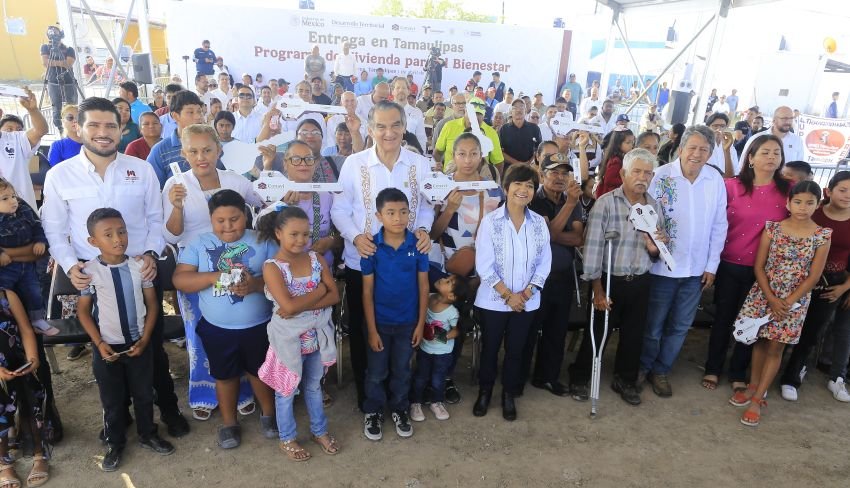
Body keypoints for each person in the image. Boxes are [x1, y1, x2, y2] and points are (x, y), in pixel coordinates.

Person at [41, 96, 190, 438]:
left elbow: (156, 218)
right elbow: (54, 227)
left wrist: (151, 253)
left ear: (123, 129)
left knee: (151, 350)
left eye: (110, 125)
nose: (103, 133)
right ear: (78, 127)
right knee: (107, 353)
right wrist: (69, 265)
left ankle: (167, 408)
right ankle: (118, 418)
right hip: (93, 279)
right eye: (93, 125)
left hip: (140, 271)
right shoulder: (61, 175)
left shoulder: (141, 169)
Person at [331, 101, 434, 412]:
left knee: (402, 330)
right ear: (370, 129)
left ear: (404, 127)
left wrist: (424, 230)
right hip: (363, 260)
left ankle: (397, 397)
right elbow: (340, 209)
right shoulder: (353, 164)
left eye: (394, 125)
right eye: (381, 126)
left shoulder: (419, 164)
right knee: (366, 330)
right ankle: (369, 399)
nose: (388, 133)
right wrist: (356, 237)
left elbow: (428, 205)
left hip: (406, 264)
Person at [163, 125, 262, 420]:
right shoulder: (175, 185)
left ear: (219, 150)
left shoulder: (234, 181)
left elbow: (261, 206)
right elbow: (171, 235)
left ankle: (243, 391)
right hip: (195, 270)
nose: (201, 157)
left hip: (236, 267)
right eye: (193, 151)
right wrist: (177, 207)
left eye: (207, 150)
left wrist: (275, 182)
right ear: (184, 154)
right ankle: (204, 392)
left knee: (237, 331)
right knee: (200, 335)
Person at [173, 190, 278, 449]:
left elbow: (284, 276)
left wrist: (254, 285)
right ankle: (229, 423)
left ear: (246, 216)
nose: (228, 226)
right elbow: (180, 280)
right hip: (217, 329)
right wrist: (212, 277)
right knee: (224, 376)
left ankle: (269, 415)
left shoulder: (263, 241)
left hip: (259, 326)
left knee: (261, 372)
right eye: (220, 220)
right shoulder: (199, 244)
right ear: (211, 220)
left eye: (234, 219)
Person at [76, 208, 176, 471]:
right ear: (93, 241)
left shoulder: (139, 266)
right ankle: (114, 442)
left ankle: (148, 434)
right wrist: (99, 343)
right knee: (112, 399)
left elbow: (153, 305)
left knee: (144, 393)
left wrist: (144, 340)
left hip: (137, 344)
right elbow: (83, 311)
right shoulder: (89, 271)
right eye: (108, 235)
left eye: (121, 231)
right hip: (106, 347)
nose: (118, 238)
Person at [568, 148, 662, 405]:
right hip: (609, 279)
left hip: (640, 280)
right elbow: (594, 248)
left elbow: (658, 251)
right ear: (623, 173)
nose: (642, 177)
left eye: (648, 173)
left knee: (634, 335)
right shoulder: (606, 202)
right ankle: (580, 375)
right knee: (598, 331)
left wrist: (657, 247)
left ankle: (625, 379)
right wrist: (597, 289)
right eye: (637, 171)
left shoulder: (654, 206)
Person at [732, 181, 830, 427]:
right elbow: (759, 266)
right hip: (765, 294)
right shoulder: (773, 229)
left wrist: (786, 302)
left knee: (776, 348)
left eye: (809, 202)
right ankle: (753, 385)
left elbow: (814, 276)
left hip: (793, 303)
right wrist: (771, 298)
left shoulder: (822, 236)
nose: (802, 207)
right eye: (798, 201)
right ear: (788, 203)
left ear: (817, 205)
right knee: (759, 341)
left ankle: (758, 399)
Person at [639, 126, 728, 397]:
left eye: (704, 149)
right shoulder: (661, 176)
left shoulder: (714, 179)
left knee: (679, 326)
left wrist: (712, 266)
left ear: (710, 153)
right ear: (680, 150)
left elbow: (719, 225)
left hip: (695, 270)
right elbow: (644, 216)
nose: (697, 154)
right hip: (662, 268)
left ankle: (661, 370)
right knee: (653, 325)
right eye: (692, 148)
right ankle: (642, 368)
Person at [701, 135, 791, 392]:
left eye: (776, 152)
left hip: (764, 271)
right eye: (765, 152)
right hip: (729, 263)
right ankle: (713, 368)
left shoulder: (788, 190)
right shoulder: (731, 186)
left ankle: (738, 371)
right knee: (724, 319)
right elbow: (714, 224)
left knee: (751, 321)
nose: (772, 157)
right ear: (750, 157)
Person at [255, 206, 341, 460]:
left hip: (316, 338)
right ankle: (287, 438)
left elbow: (334, 295)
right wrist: (318, 293)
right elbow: (288, 307)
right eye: (294, 234)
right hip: (288, 341)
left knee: (314, 386)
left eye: (306, 235)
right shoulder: (272, 267)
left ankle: (319, 431)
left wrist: (301, 303)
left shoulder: (316, 259)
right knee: (286, 390)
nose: (301, 240)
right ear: (278, 233)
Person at [472, 164, 551, 420]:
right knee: (490, 348)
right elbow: (484, 264)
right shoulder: (491, 221)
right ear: (506, 188)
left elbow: (544, 263)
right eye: (518, 184)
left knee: (516, 350)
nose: (523, 189)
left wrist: (525, 295)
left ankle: (508, 394)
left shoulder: (539, 223)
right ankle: (485, 392)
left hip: (526, 302)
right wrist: (508, 295)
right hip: (494, 301)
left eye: (530, 186)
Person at [360, 188, 429, 441]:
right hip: (379, 323)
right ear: (379, 216)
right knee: (376, 372)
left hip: (408, 323)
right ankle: (374, 411)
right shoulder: (371, 248)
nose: (398, 218)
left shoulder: (418, 246)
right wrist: (372, 330)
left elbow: (424, 287)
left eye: (403, 212)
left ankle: (400, 408)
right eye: (390, 212)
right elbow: (367, 292)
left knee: (402, 369)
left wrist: (420, 325)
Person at [778, 172, 850, 402]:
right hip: (797, 280)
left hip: (833, 284)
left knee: (811, 333)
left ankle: (792, 377)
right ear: (829, 192)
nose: (848, 195)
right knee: (784, 329)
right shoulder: (812, 213)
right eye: (843, 189)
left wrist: (845, 287)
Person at [522, 155, 583, 397]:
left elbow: (578, 238)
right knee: (529, 329)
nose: (559, 178)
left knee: (557, 331)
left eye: (564, 173)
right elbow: (545, 236)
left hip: (563, 276)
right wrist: (565, 212)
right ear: (542, 174)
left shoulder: (573, 200)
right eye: (553, 172)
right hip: (536, 279)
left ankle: (547, 377)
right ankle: (518, 376)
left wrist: (555, 232)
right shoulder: (534, 200)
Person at [0, 285, 50, 485]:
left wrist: (32, 357)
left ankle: (40, 455)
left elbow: (25, 329)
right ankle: (4, 464)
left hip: (19, 365)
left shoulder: (7, 295)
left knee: (31, 408)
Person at [0, 178, 57, 336]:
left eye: (13, 196)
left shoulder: (21, 208)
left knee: (34, 292)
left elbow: (37, 229)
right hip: (7, 271)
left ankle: (38, 319)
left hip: (26, 267)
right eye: (5, 198)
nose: (12, 201)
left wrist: (40, 241)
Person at [409, 274, 470, 422]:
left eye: (448, 282)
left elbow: (457, 331)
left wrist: (439, 336)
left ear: (451, 296)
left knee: (438, 379)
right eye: (446, 278)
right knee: (420, 378)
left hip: (443, 353)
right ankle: (415, 403)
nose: (443, 279)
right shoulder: (428, 297)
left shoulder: (451, 312)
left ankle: (437, 402)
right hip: (425, 349)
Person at [148, 90, 214, 187]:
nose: (198, 117)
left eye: (199, 111)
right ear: (175, 116)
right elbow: (153, 189)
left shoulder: (213, 144)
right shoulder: (160, 151)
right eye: (190, 112)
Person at [0, 88, 48, 210]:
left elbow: (40, 130)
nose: (14, 129)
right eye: (9, 127)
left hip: (24, 216)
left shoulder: (15, 139)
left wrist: (33, 110)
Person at [434, 98, 503, 171]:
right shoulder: (449, 126)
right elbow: (437, 152)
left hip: (480, 180)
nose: (475, 117)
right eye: (472, 113)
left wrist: (495, 180)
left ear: (483, 116)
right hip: (451, 178)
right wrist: (440, 171)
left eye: (479, 114)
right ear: (465, 112)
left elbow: (498, 162)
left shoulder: (491, 132)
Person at [40, 27, 78, 132]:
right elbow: (45, 63)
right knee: (56, 108)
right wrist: (61, 63)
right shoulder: (45, 48)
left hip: (69, 82)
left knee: (72, 106)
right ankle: (60, 130)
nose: (54, 36)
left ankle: (74, 129)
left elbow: (68, 64)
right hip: (53, 82)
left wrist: (52, 62)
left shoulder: (69, 49)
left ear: (61, 35)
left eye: (56, 33)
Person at [499, 99, 542, 168]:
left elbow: (539, 149)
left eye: (521, 107)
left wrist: (529, 162)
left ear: (525, 111)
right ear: (511, 112)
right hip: (510, 169)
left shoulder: (534, 128)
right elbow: (500, 151)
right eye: (515, 108)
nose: (518, 110)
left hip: (530, 169)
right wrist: (517, 163)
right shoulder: (504, 129)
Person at [594, 128, 635, 198]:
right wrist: (626, 181)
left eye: (632, 142)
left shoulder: (618, 158)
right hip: (610, 196)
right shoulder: (616, 161)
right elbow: (609, 180)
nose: (631, 145)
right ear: (618, 144)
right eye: (628, 142)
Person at [391, 77, 428, 152]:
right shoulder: (385, 111)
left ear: (408, 91)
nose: (401, 90)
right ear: (392, 91)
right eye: (398, 88)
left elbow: (421, 138)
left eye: (404, 88)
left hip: (411, 155)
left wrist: (421, 157)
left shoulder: (417, 112)